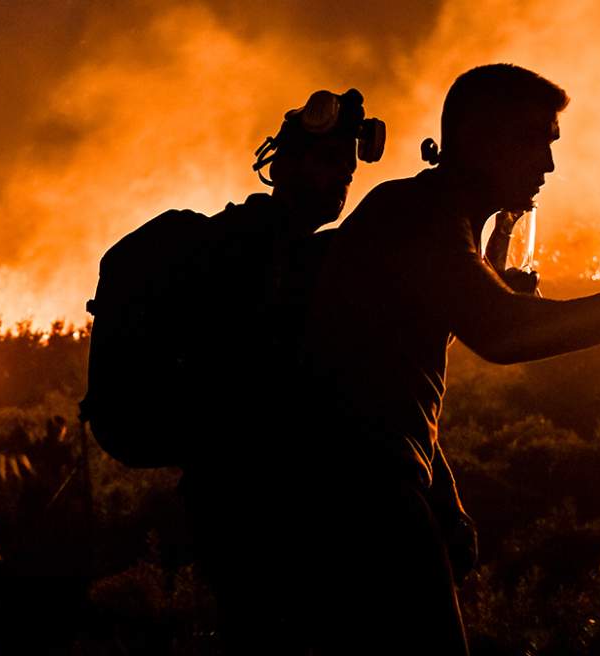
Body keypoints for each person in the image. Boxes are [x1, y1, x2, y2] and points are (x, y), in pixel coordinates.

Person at [302, 63, 600, 654]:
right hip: (356, 506)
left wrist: (438, 494)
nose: (548, 166)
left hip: (368, 495)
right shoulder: (413, 213)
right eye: (534, 140)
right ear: (475, 139)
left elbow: (388, 387)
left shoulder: (429, 219)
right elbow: (500, 335)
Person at [84, 89, 381, 654]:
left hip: (249, 484)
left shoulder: (279, 250)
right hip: (247, 492)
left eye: (347, 168)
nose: (342, 179)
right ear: (284, 166)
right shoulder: (246, 246)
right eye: (327, 162)